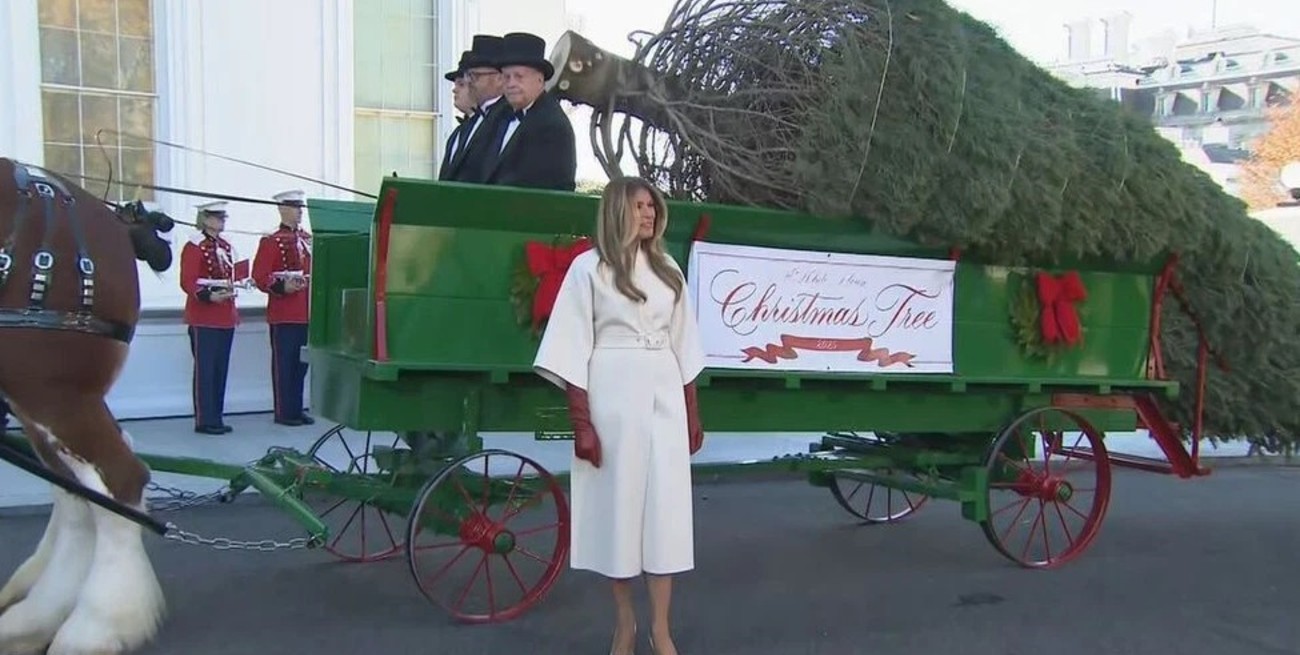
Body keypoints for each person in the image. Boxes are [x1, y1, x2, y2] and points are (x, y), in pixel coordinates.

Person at [532, 176, 705, 655]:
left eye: (652, 205)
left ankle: (662, 629)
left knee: (665, 513)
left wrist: (691, 409)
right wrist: (582, 423)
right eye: (638, 206)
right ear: (616, 211)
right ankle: (625, 623)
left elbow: (684, 343)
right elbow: (571, 347)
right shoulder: (589, 270)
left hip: (664, 393)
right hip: (612, 394)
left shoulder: (668, 269)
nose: (648, 214)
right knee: (619, 513)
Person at [480, 32, 577, 191]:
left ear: (539, 79)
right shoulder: (498, 116)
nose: (511, 83)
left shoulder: (552, 125)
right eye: (506, 77)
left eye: (519, 76)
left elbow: (534, 184)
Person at [252, 190, 314, 427]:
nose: (299, 211)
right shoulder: (272, 240)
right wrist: (282, 286)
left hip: (305, 311)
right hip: (285, 312)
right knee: (284, 365)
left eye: (300, 207)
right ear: (282, 209)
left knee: (300, 366)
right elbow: (259, 275)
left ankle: (296, 408)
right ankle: (284, 411)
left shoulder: (307, 239)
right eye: (294, 206)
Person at [180, 201, 242, 435]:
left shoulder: (225, 246)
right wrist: (208, 296)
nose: (221, 221)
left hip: (224, 314)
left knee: (220, 368)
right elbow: (188, 280)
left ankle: (217, 416)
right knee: (205, 369)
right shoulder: (195, 246)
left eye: (223, 217)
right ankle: (205, 419)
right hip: (204, 314)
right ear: (205, 219)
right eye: (217, 217)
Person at [445, 34, 510, 183]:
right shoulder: (473, 123)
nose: (469, 82)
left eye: (475, 76)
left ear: (499, 78)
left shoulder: (505, 118)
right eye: (468, 76)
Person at [437, 49, 480, 181]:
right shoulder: (457, 133)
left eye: (461, 84)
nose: (454, 89)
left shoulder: (490, 127)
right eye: (455, 84)